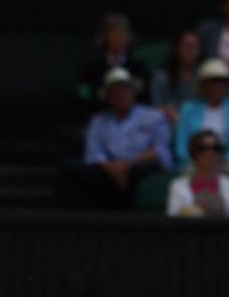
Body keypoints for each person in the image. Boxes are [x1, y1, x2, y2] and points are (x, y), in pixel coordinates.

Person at [69, 68, 172, 209]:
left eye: (126, 89)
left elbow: (159, 150)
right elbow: (94, 152)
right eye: (116, 90)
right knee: (75, 169)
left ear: (134, 92)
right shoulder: (99, 120)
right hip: (108, 169)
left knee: (139, 171)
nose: (122, 94)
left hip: (139, 166)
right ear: (109, 97)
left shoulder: (154, 116)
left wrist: (125, 165)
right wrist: (113, 168)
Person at [174, 59, 229, 173]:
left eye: (222, 81)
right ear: (204, 85)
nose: (217, 85)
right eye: (212, 81)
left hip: (228, 164)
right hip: (194, 164)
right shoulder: (189, 109)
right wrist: (200, 162)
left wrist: (225, 160)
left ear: (228, 85)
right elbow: (181, 147)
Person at [80, 13, 151, 114]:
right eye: (114, 34)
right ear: (105, 37)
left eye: (123, 33)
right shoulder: (91, 68)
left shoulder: (139, 68)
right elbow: (85, 95)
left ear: (129, 37)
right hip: (99, 116)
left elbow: (145, 97)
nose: (118, 38)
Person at [166, 130, 229, 217]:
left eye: (215, 148)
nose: (209, 153)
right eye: (203, 148)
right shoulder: (178, 186)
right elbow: (172, 215)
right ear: (194, 153)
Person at [150, 30, 202, 124]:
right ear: (178, 48)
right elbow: (156, 106)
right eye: (188, 46)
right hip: (170, 123)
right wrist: (172, 114)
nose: (192, 51)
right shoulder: (162, 76)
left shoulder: (203, 75)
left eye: (195, 47)